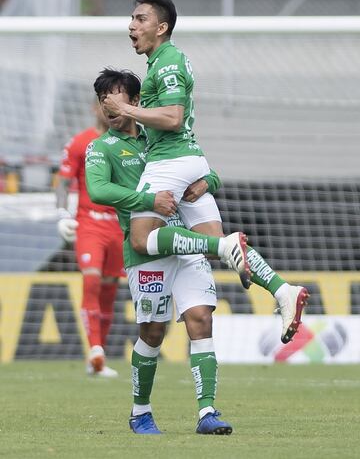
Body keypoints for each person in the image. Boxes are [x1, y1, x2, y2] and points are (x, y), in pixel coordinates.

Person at [86, 68, 309, 434]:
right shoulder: (102, 148)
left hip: (187, 243)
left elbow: (209, 172)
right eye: (104, 99)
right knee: (153, 333)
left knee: (201, 319)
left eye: (118, 96)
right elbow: (97, 191)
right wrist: (148, 199)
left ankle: (207, 413)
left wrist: (207, 181)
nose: (111, 105)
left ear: (136, 101)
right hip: (146, 251)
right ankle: (140, 412)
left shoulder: (159, 138)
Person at [103, 0, 252, 290]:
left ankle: (228, 248)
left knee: (141, 238)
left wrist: (125, 108)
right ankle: (282, 289)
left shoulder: (167, 60)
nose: (132, 25)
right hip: (190, 159)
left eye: (141, 19)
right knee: (212, 243)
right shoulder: (160, 62)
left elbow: (172, 117)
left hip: (170, 159)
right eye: (131, 18)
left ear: (162, 28)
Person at [56, 100, 126, 378]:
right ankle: (95, 348)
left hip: (118, 226)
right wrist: (62, 213)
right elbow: (62, 183)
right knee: (92, 279)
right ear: (94, 108)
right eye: (104, 105)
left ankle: (97, 356)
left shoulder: (127, 144)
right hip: (89, 224)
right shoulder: (80, 142)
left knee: (109, 289)